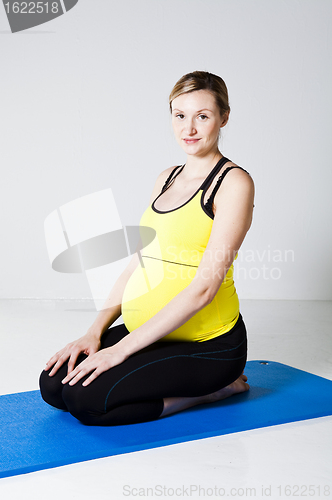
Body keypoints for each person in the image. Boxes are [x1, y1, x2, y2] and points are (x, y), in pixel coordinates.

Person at [39, 71, 255, 426]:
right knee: (53, 385)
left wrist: (119, 351)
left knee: (86, 399)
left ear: (223, 118)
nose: (189, 128)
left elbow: (203, 289)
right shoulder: (166, 178)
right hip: (153, 331)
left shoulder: (233, 183)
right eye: (179, 115)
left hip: (207, 345)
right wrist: (94, 332)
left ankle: (213, 391)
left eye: (202, 116)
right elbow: (138, 262)